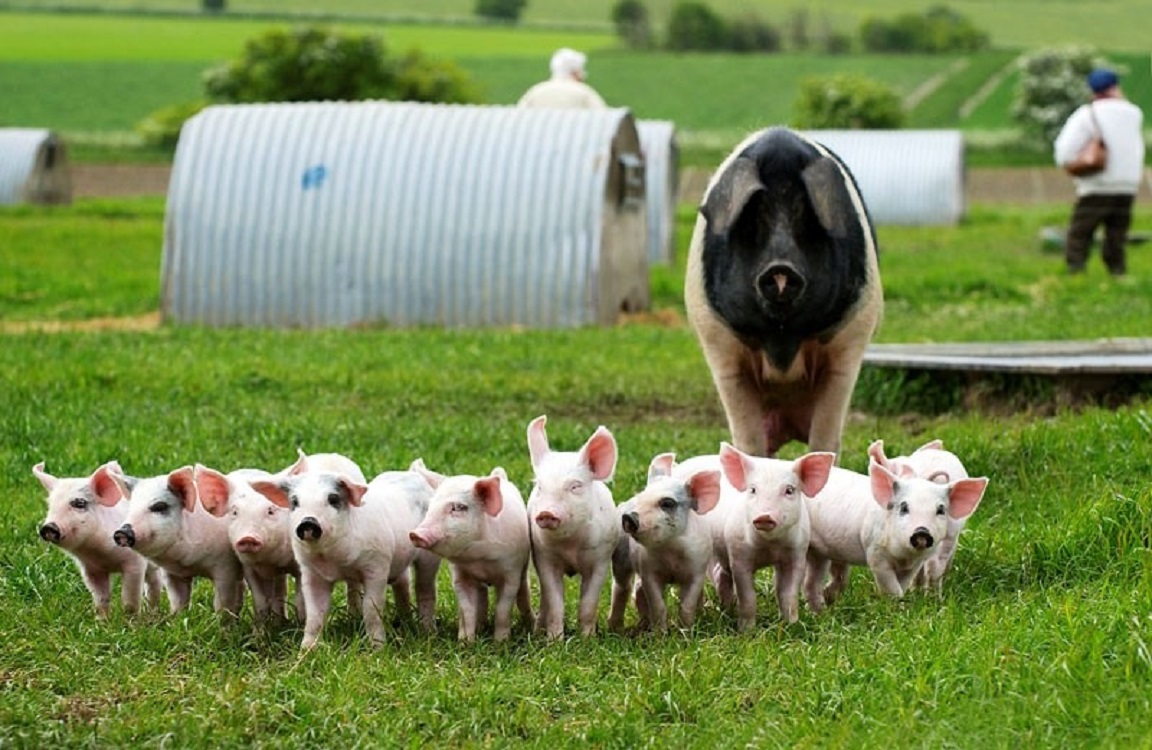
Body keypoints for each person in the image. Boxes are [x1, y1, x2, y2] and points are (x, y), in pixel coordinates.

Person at [1053, 68, 1145, 276]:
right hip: (1127, 184)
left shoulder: (1088, 114)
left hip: (1097, 184)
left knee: (1080, 233)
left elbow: (1064, 151)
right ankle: (1117, 272)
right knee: (1117, 234)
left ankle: (1076, 271)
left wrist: (1075, 162)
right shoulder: (1134, 114)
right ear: (1115, 87)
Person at [517, 48, 607, 110]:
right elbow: (602, 118)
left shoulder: (535, 91)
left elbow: (519, 116)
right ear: (575, 72)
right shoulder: (584, 92)